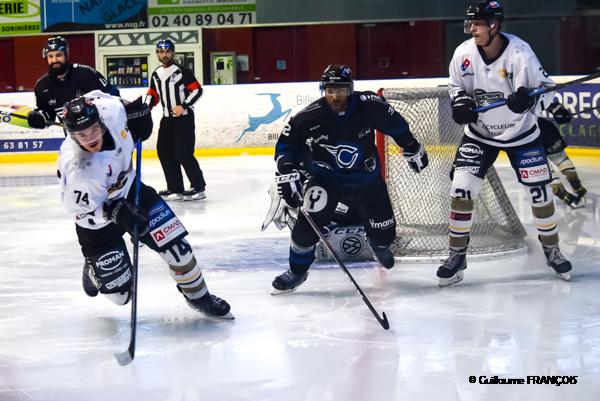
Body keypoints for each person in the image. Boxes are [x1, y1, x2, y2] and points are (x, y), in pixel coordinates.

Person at [58, 90, 232, 319]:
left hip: (132, 192)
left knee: (178, 249)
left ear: (100, 121)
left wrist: (135, 113)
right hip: (97, 224)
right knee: (121, 297)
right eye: (82, 134)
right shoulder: (79, 170)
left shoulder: (111, 110)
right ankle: (93, 270)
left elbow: (111, 98)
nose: (90, 138)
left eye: (93, 129)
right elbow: (79, 212)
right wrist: (114, 212)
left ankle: (201, 298)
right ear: (72, 136)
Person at [440, 0, 572, 286]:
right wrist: (459, 101)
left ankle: (552, 250)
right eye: (470, 23)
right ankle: (456, 255)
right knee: (461, 188)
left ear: (494, 25)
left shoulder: (520, 52)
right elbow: (454, 85)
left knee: (540, 193)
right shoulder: (463, 53)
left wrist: (533, 102)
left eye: (478, 24)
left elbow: (544, 90)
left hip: (521, 135)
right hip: (480, 134)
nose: (472, 29)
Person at [270, 64, 429, 294]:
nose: (335, 97)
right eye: (330, 91)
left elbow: (396, 125)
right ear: (323, 90)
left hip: (368, 183)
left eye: (341, 90)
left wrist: (410, 145)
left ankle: (378, 244)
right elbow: (286, 146)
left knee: (385, 236)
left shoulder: (370, 105)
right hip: (327, 182)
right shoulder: (308, 117)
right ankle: (297, 272)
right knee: (306, 229)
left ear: (350, 89)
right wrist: (286, 169)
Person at [146, 39, 206, 202]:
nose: (164, 55)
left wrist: (183, 106)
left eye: (167, 51)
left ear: (173, 53)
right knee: (164, 152)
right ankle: (175, 187)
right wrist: (145, 108)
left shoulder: (181, 71)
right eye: (161, 52)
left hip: (184, 119)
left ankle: (198, 187)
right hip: (167, 120)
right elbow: (153, 94)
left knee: (183, 153)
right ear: (157, 54)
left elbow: (197, 90)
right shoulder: (156, 74)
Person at [27, 36, 119, 129]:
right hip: (73, 135)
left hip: (103, 131)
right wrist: (40, 118)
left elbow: (113, 96)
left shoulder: (85, 74)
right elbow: (48, 116)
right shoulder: (42, 86)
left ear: (66, 55)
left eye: (59, 55)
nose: (54, 60)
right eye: (50, 56)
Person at [537, 101, 587, 208]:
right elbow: (543, 99)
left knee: (542, 168)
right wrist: (557, 109)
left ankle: (565, 196)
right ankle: (577, 187)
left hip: (522, 135)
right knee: (560, 159)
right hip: (543, 128)